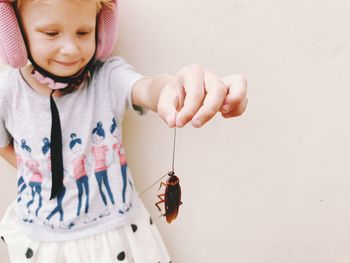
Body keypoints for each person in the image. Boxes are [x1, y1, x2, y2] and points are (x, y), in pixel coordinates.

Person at [0, 0, 248, 262]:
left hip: (117, 237)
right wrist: (39, 168)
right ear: (15, 32)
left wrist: (176, 89)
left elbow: (150, 88)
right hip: (42, 242)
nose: (71, 48)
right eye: (51, 33)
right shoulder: (6, 93)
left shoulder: (109, 77)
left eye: (83, 32)